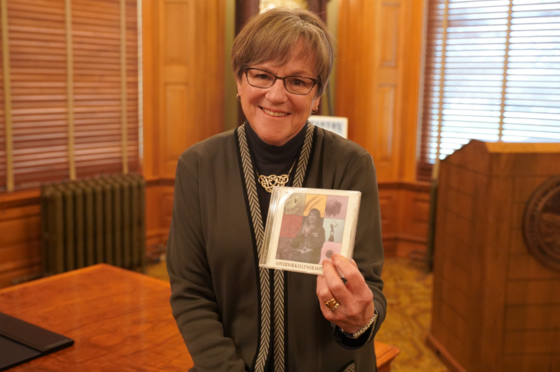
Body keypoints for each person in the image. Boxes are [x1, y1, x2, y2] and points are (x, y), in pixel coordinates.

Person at [167, 8, 386, 372]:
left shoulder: (350, 164)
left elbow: (370, 289)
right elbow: (191, 294)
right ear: (239, 80)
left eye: (298, 81)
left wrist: (356, 322)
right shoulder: (199, 167)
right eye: (262, 76)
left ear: (317, 94)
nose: (277, 94)